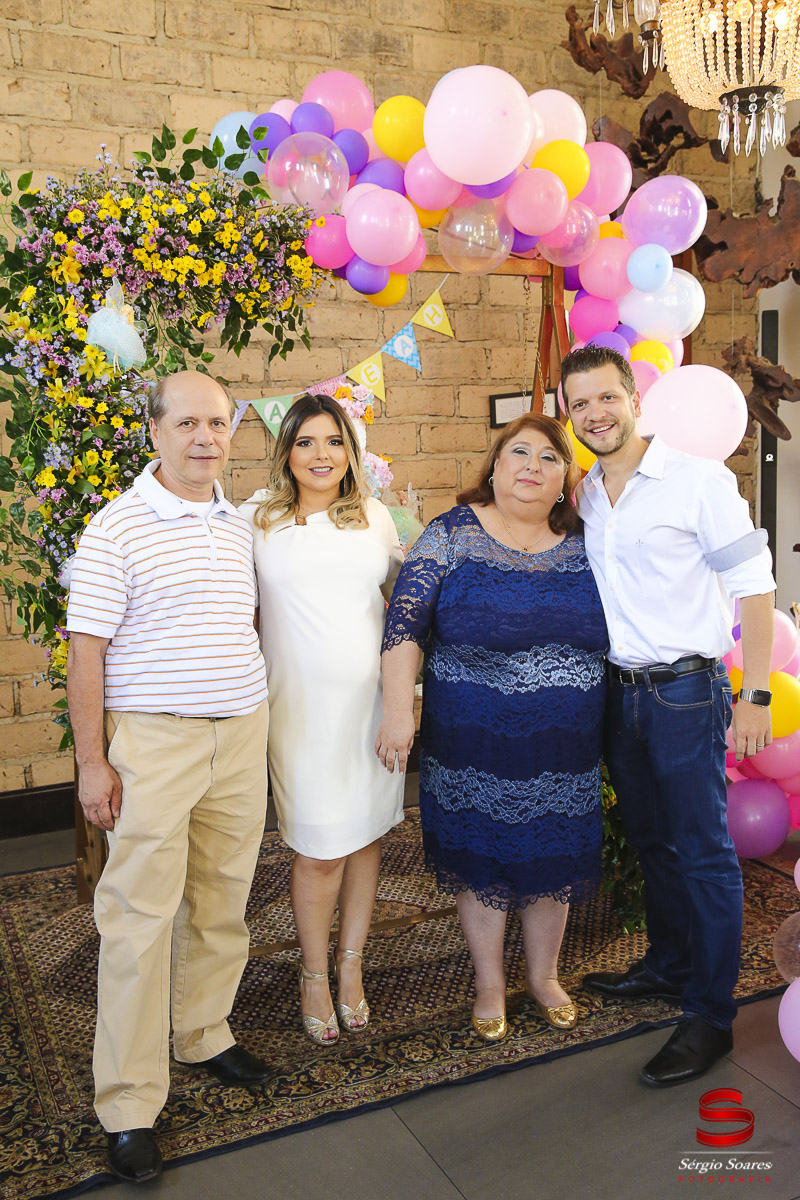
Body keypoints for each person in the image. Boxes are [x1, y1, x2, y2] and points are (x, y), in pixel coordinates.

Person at [66, 371, 270, 1184]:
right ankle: (128, 1103)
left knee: (224, 896)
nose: (205, 439)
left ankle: (203, 1032)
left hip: (241, 735)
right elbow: (88, 651)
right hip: (154, 743)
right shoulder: (115, 528)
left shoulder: (237, 521)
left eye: (218, 423)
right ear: (154, 432)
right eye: (187, 423)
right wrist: (92, 762)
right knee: (138, 919)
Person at [561, 343, 775, 1088]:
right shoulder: (587, 495)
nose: (596, 414)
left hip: (688, 693)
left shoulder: (696, 480)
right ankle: (668, 963)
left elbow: (754, 588)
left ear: (634, 398)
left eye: (606, 398)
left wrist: (755, 694)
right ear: (571, 414)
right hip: (620, 694)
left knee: (704, 853)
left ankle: (710, 1016)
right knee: (653, 844)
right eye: (580, 404)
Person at [375, 413, 608, 1041]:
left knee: (550, 855)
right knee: (482, 858)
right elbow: (402, 625)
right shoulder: (450, 534)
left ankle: (543, 977)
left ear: (566, 479)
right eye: (519, 452)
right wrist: (401, 712)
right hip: (471, 737)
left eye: (550, 458)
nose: (533, 465)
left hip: (565, 744)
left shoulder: (590, 542)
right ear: (495, 466)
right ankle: (488, 984)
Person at [240, 393, 404, 1046]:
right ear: (285, 452)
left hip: (370, 708)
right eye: (305, 441)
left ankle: (350, 964)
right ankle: (311, 974)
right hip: (298, 712)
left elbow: (405, 614)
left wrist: (404, 699)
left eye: (333, 441)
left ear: (351, 452)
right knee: (318, 851)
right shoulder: (257, 517)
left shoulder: (374, 517)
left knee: (365, 836)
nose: (320, 455)